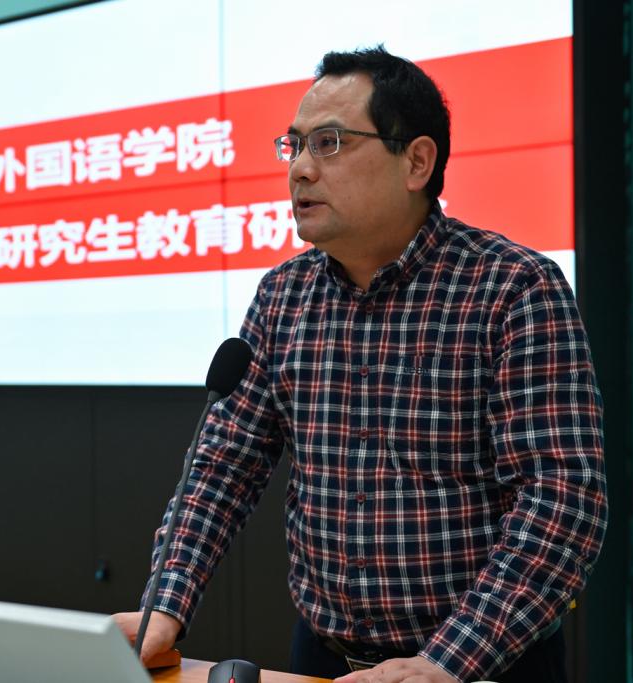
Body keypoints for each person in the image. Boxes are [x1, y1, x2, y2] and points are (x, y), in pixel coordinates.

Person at [114, 46, 607, 683]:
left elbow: (562, 501)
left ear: (417, 162)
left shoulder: (512, 289)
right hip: (324, 659)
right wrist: (166, 605)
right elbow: (222, 470)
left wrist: (442, 663)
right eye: (294, 146)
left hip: (482, 665)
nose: (300, 169)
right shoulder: (283, 296)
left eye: (329, 143)